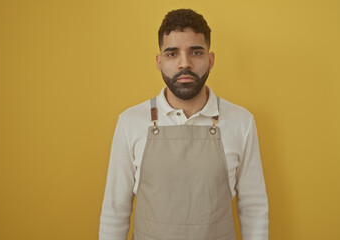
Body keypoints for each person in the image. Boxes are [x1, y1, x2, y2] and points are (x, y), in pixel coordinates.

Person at [99, 8, 268, 240]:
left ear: (210, 60)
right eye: (172, 54)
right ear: (159, 62)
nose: (184, 64)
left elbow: (254, 208)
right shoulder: (131, 122)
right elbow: (115, 211)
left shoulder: (241, 122)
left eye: (196, 52)